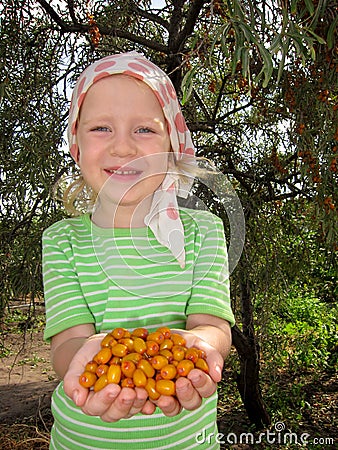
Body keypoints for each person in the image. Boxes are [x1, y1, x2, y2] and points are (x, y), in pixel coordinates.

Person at [42, 51, 235, 450]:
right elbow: (67, 345)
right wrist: (88, 360)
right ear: (76, 148)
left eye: (144, 130)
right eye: (100, 128)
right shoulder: (61, 242)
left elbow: (214, 327)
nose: (123, 147)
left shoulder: (204, 232)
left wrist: (199, 346)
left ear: (173, 145)